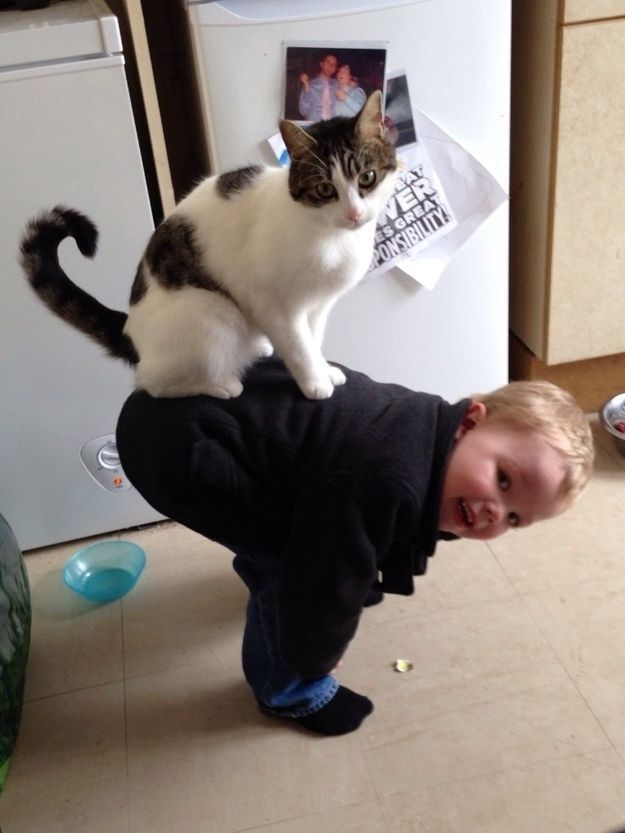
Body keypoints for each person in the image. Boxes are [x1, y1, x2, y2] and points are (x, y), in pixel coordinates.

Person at [115, 358, 594, 736]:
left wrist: (367, 560)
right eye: (503, 480)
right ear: (470, 422)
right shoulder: (385, 480)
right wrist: (315, 653)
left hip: (200, 400)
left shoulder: (427, 428)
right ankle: (288, 693)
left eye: (514, 519)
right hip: (177, 449)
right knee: (286, 568)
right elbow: (322, 580)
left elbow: (389, 522)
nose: (495, 512)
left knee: (332, 525)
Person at [298, 53, 338, 121]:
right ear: (321, 64)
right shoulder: (310, 84)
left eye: (334, 64)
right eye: (328, 62)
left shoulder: (337, 84)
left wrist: (353, 82)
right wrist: (306, 88)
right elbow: (303, 111)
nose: (331, 66)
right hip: (314, 124)